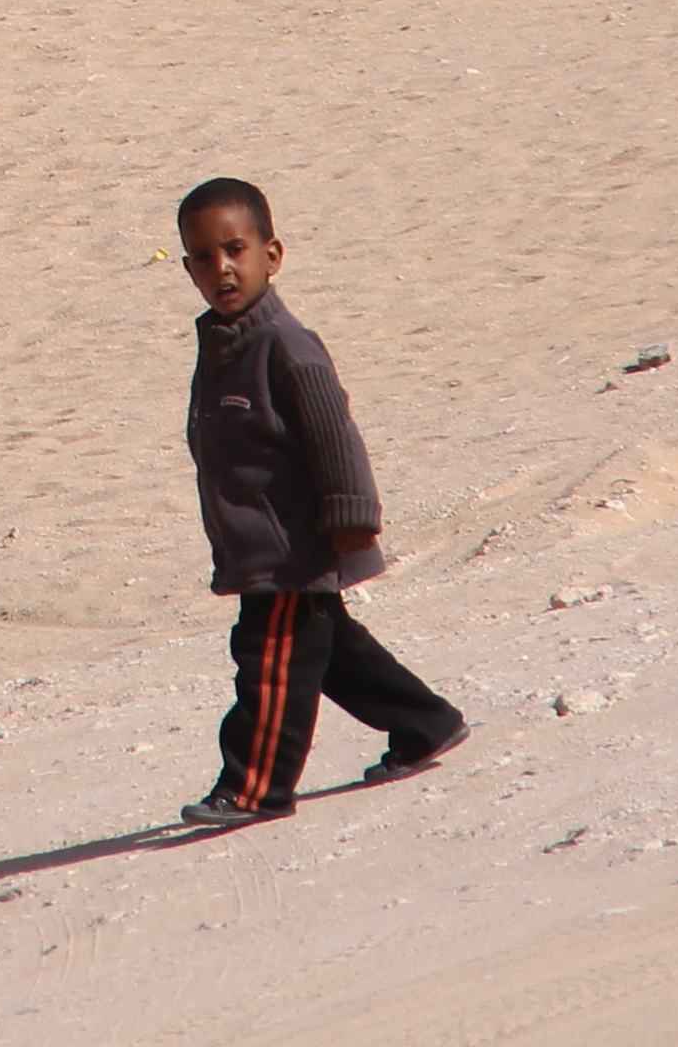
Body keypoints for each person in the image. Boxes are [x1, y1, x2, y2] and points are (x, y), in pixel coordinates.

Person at [174, 175, 465, 825]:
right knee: (332, 654)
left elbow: (334, 435)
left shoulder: (286, 348)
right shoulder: (224, 344)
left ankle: (254, 787)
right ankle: (428, 723)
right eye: (202, 257)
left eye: (235, 250)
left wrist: (352, 515)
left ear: (271, 256)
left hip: (291, 549)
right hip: (261, 545)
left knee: (269, 664)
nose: (221, 268)